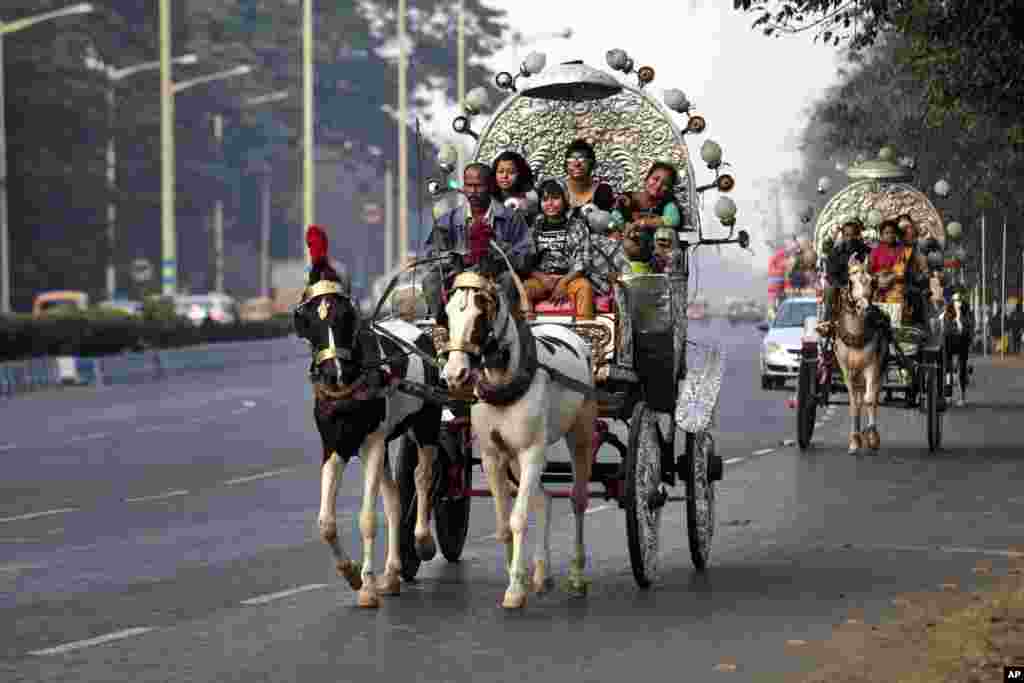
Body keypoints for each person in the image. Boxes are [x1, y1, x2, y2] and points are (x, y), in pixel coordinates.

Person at [422, 163, 531, 352]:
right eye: (469, 185)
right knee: (430, 280)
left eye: (479, 186)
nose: (472, 191)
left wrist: (498, 258)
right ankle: (441, 329)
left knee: (508, 280)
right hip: (458, 277)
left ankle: (499, 337)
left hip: (494, 277)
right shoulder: (448, 220)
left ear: (490, 186)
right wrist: (452, 259)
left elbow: (526, 252)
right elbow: (432, 252)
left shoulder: (511, 218)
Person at [522, 179, 595, 319]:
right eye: (545, 199)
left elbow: (584, 261)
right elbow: (525, 262)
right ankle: (526, 330)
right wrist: (543, 278)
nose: (550, 203)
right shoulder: (534, 228)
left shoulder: (577, 226)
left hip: (570, 279)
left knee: (584, 287)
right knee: (523, 289)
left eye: (555, 198)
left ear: (565, 200)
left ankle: (585, 330)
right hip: (542, 279)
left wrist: (563, 282)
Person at [817, 215, 871, 335]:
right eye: (847, 235)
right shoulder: (835, 252)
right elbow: (831, 274)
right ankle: (827, 320)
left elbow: (870, 269)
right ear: (843, 235)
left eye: (853, 235)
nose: (850, 238)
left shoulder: (866, 251)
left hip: (861, 284)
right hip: (841, 284)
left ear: (858, 235)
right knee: (829, 287)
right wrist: (841, 285)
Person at [562, 139, 616, 221]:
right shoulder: (558, 189)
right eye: (571, 160)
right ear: (565, 165)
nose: (577, 164)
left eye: (583, 159)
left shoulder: (602, 191)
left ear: (592, 164)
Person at [492, 150, 539, 223]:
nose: (504, 176)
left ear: (521, 174)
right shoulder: (489, 198)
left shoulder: (530, 199)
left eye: (511, 172)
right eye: (500, 172)